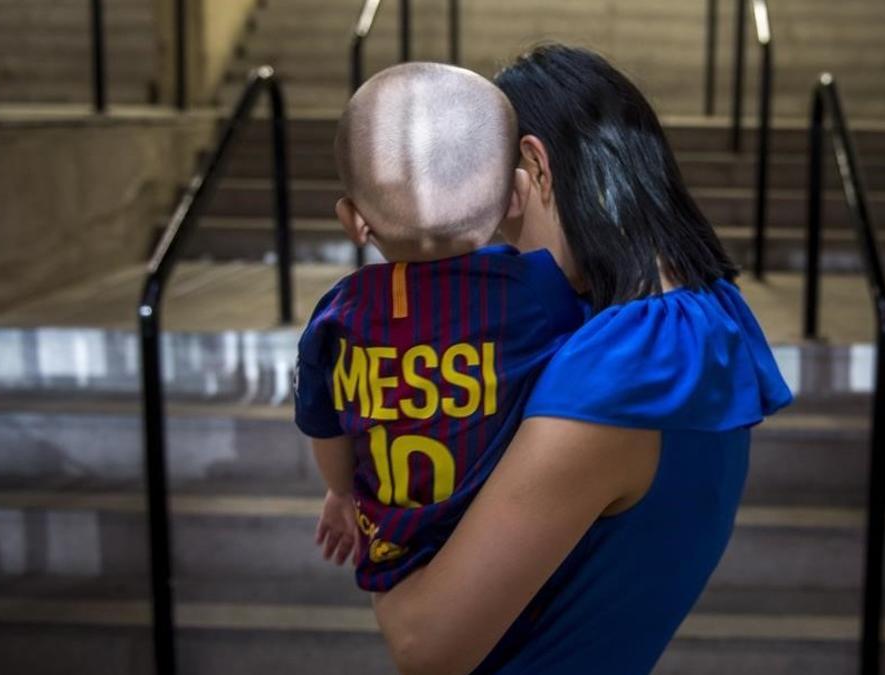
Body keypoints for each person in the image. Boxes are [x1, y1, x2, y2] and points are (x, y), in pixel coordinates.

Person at [371, 45, 793, 674]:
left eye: (496, 203)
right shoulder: (707, 318)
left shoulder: (620, 372)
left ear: (534, 165)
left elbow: (424, 645)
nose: (496, 236)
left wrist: (374, 490)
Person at [294, 62, 585, 591]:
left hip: (391, 548)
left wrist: (340, 494)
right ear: (516, 195)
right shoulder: (537, 291)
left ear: (354, 220)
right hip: (508, 544)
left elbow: (325, 426)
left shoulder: (337, 316)